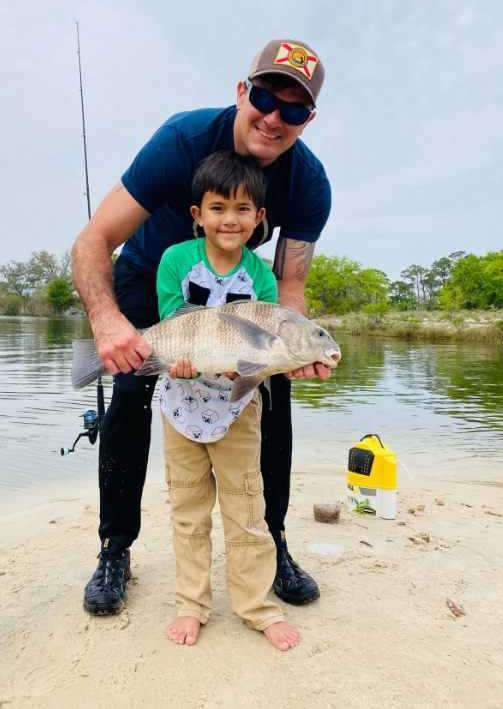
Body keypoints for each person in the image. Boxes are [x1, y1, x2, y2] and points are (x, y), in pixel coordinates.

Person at [73, 39, 333, 616]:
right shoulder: (181, 141)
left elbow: (288, 288)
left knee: (275, 390)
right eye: (265, 97)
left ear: (306, 120)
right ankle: (114, 549)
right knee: (132, 390)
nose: (274, 117)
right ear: (243, 92)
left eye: (293, 110)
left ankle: (276, 540)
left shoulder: (309, 184)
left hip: (241, 292)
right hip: (152, 272)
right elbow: (93, 240)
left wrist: (299, 345)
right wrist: (108, 321)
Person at [159, 151, 299, 650]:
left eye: (243, 209)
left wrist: (287, 359)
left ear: (259, 219)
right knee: (188, 509)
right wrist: (173, 358)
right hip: (180, 403)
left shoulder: (261, 277)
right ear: (198, 214)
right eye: (217, 207)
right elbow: (177, 329)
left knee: (246, 508)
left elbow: (260, 352)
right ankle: (191, 605)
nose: (230, 219)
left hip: (240, 410)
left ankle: (256, 608)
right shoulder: (176, 259)